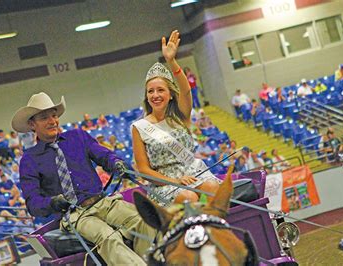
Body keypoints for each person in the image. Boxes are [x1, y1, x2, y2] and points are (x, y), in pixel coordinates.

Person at [12, 91, 156, 265]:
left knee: (144, 220)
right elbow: (33, 203)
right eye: (44, 118)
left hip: (104, 202)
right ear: (32, 124)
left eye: (54, 115)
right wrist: (52, 202)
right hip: (75, 215)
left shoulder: (78, 137)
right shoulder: (29, 160)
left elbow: (104, 155)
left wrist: (118, 163)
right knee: (107, 236)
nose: (52, 121)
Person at [132, 30, 219, 205]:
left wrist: (171, 61)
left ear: (171, 94)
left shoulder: (181, 116)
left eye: (160, 90)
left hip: (194, 173)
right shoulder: (139, 127)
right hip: (164, 183)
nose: (155, 95)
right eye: (151, 91)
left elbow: (186, 90)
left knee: (212, 188)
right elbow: (143, 169)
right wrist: (176, 181)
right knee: (189, 198)